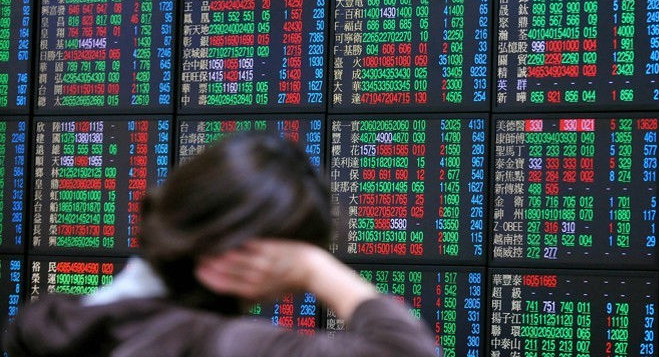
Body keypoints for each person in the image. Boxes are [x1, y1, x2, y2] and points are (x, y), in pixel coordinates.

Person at [3, 132, 437, 357]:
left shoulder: (54, 324)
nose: (290, 289)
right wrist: (316, 269)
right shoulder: (214, 344)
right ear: (245, 254)